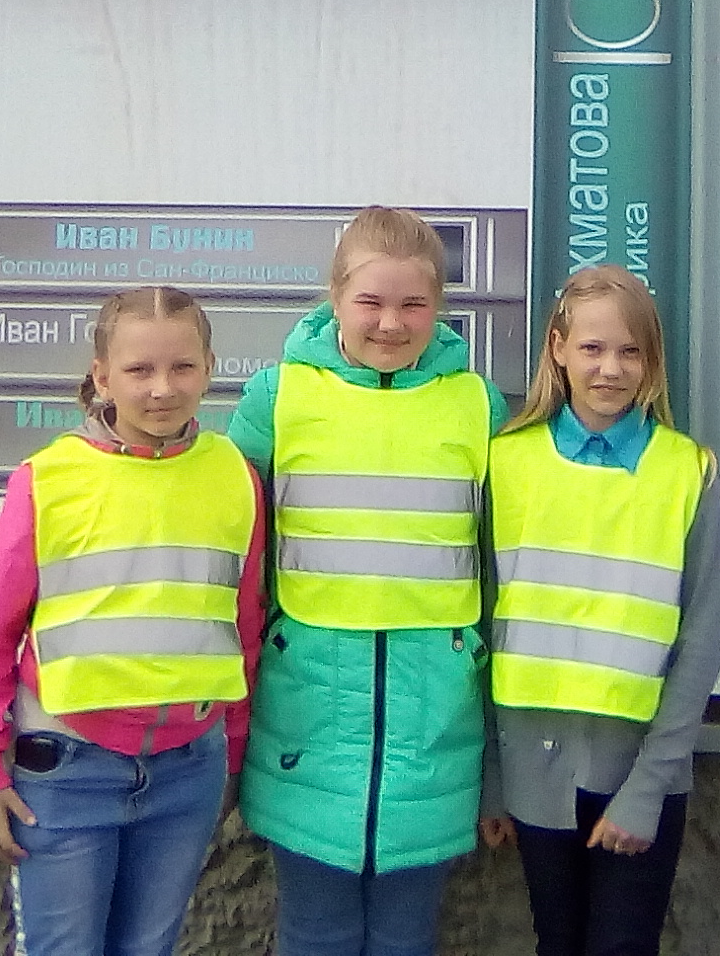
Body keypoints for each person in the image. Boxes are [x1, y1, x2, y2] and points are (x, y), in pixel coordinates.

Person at [0, 284, 267, 956]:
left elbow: (242, 626)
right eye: (139, 369)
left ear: (210, 368)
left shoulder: (235, 476)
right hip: (67, 769)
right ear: (102, 376)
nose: (162, 389)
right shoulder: (48, 479)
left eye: (182, 367)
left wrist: (233, 751)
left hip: (189, 771)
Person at [227, 206, 511, 956]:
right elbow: (230, 556)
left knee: (405, 937)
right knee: (315, 932)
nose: (391, 323)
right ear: (335, 297)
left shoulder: (477, 406)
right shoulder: (277, 399)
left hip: (433, 725)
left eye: (414, 303)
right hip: (306, 721)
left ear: (439, 305)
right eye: (371, 302)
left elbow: (499, 576)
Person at [483, 264, 720, 956]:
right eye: (592, 348)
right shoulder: (506, 462)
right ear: (557, 348)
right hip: (532, 769)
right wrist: (492, 779)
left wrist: (650, 785)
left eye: (630, 352)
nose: (610, 369)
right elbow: (482, 626)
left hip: (640, 770)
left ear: (651, 362)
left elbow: (700, 640)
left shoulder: (688, 471)